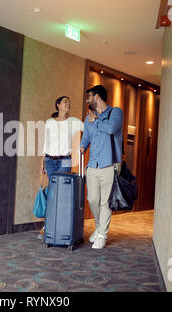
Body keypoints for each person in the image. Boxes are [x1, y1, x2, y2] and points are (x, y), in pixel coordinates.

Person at [79, 85, 123, 249]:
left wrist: (96, 121)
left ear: (97, 97)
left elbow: (111, 129)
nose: (87, 100)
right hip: (93, 165)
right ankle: (98, 227)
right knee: (92, 199)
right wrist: (82, 146)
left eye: (89, 97)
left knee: (105, 202)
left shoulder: (116, 112)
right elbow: (87, 137)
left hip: (109, 164)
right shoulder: (89, 117)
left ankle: (102, 235)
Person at [38, 96, 84, 239]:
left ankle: (62, 226)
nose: (68, 103)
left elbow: (88, 128)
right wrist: (42, 160)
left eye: (69, 102)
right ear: (58, 105)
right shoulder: (49, 123)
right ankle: (48, 225)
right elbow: (46, 142)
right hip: (50, 160)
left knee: (62, 192)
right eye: (65, 101)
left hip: (65, 160)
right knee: (52, 192)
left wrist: (94, 119)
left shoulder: (74, 122)